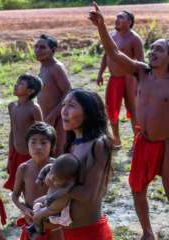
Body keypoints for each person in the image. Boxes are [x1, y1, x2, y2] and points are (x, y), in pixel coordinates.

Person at [89, 3, 169, 239]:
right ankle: (148, 232)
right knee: (137, 189)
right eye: (152, 49)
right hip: (143, 143)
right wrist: (101, 27)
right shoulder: (141, 72)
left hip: (167, 146)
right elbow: (115, 54)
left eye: (159, 50)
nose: (153, 53)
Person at [60, 88, 114, 240]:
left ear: (88, 112)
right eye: (64, 105)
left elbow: (88, 195)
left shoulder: (98, 145)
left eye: (71, 106)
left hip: (90, 233)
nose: (64, 111)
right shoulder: (72, 144)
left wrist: (58, 185)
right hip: (69, 232)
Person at [96, 10, 144, 149]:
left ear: (129, 22)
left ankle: (137, 139)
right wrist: (100, 73)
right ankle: (116, 139)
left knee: (134, 110)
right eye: (116, 17)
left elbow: (140, 60)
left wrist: (141, 81)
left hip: (130, 79)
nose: (116, 19)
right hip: (114, 79)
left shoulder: (134, 39)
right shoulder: (110, 35)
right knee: (112, 110)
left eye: (121, 17)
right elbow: (106, 56)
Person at [12, 122, 63, 240]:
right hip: (33, 226)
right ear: (27, 145)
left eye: (43, 142)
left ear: (52, 146)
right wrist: (24, 209)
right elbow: (15, 195)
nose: (38, 146)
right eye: (33, 142)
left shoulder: (58, 167)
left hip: (55, 225)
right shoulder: (23, 168)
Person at [4, 74, 43, 191]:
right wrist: (10, 155)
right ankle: (24, 208)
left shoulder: (34, 108)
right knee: (17, 186)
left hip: (30, 155)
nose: (16, 85)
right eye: (17, 82)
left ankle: (30, 208)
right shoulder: (12, 106)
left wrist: (39, 156)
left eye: (21, 84)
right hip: (15, 152)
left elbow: (42, 132)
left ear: (30, 91)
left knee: (30, 186)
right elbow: (13, 131)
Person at [35, 34, 72, 156]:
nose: (37, 50)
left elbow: (68, 91)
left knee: (58, 150)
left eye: (42, 47)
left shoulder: (56, 67)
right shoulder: (44, 66)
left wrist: (53, 114)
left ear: (53, 50)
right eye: (36, 47)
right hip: (48, 118)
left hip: (59, 118)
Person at [27, 154, 80, 238]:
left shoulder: (68, 184)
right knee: (35, 202)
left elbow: (58, 194)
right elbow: (46, 168)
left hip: (53, 208)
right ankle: (38, 224)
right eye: (51, 173)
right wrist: (40, 178)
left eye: (55, 179)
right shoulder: (54, 168)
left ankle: (38, 231)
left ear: (68, 179)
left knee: (37, 216)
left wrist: (50, 199)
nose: (51, 177)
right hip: (48, 198)